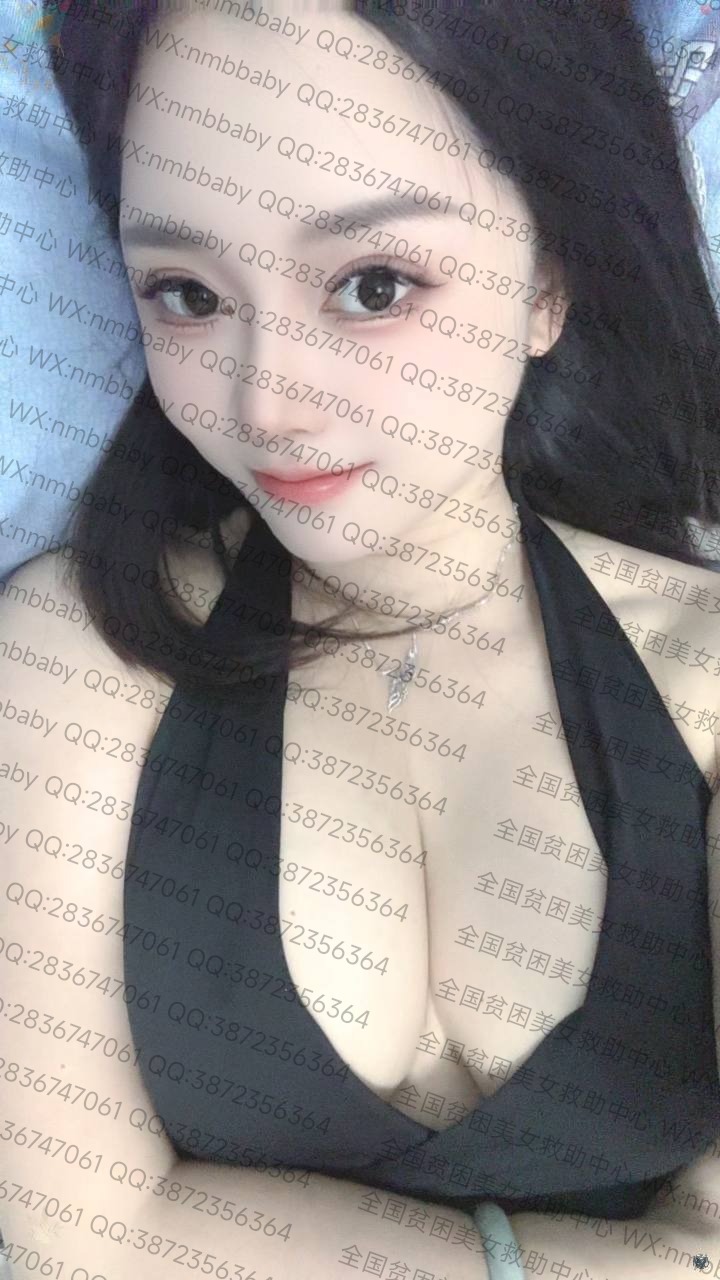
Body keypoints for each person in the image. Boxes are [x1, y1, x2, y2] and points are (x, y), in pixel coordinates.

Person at [4, 1, 720, 1277]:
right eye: (187, 294)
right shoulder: (68, 664)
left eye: (373, 286)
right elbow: (77, 1235)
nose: (268, 401)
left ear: (549, 279)